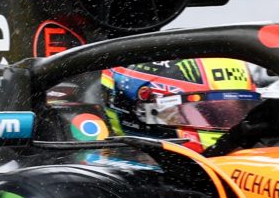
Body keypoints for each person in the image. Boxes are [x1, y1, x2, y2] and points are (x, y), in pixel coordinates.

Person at [94, 57, 264, 154]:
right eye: (211, 113)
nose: (231, 125)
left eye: (239, 111)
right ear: (145, 111)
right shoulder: (104, 183)